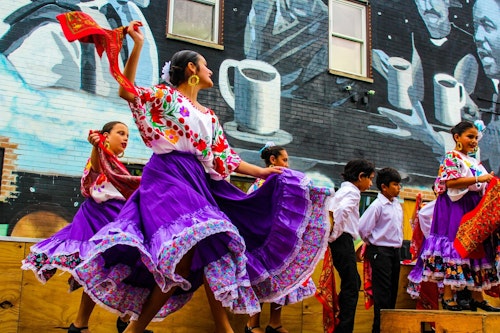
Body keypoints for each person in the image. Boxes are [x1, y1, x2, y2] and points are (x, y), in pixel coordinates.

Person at [69, 19, 331, 333]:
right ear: (192, 70)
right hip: (167, 178)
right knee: (209, 236)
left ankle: (140, 330)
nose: (210, 70)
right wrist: (136, 45)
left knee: (196, 258)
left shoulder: (208, 116)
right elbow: (128, 91)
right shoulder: (167, 98)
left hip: (196, 181)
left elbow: (225, 158)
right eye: (205, 65)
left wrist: (262, 171)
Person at [21, 121, 146, 333]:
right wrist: (96, 146)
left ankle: (96, 323)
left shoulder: (118, 165)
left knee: (116, 269)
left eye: (128, 135)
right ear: (106, 136)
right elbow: (96, 169)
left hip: (117, 219)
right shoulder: (102, 159)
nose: (125, 138)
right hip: (102, 218)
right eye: (121, 133)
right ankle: (94, 324)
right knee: (107, 267)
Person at [407, 120, 500, 312]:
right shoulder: (451, 157)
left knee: (474, 246)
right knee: (455, 246)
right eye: (470, 137)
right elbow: (450, 183)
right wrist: (479, 179)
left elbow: (482, 184)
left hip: (472, 206)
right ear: (457, 137)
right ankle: (448, 296)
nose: (474, 141)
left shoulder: (474, 161)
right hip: (455, 206)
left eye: (476, 137)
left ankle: (477, 296)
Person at [245, 143, 309, 333]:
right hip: (262, 241)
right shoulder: (261, 184)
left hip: (278, 241)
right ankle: (252, 324)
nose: (287, 165)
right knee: (261, 280)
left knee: (280, 281)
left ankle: (275, 323)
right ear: (272, 160)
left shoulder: (280, 182)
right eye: (284, 160)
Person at [320, 159, 375, 333]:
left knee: (352, 283)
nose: (371, 183)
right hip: (341, 240)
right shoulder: (353, 193)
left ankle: (340, 321)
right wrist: (334, 236)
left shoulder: (342, 190)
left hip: (342, 240)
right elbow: (341, 212)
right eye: (370, 178)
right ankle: (343, 328)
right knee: (352, 286)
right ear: (361, 176)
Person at [358, 167, 403, 333]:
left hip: (395, 252)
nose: (398, 188)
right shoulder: (377, 205)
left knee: (392, 293)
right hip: (380, 251)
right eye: (395, 184)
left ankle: (388, 328)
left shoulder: (397, 205)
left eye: (399, 185)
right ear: (384, 187)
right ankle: (378, 330)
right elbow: (362, 228)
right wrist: (373, 243)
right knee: (382, 294)